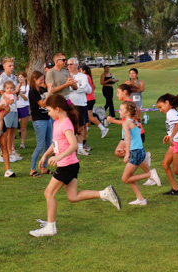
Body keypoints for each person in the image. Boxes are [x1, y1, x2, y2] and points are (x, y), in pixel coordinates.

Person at [30, 95, 121, 237]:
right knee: (73, 196)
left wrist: (59, 156)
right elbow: (55, 144)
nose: (48, 113)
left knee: (49, 193)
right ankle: (105, 193)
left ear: (57, 109)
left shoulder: (65, 124)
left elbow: (73, 146)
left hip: (67, 165)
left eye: (49, 110)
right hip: (71, 165)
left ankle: (50, 227)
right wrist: (45, 155)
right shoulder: (57, 122)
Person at [116, 102, 161, 206]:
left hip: (135, 153)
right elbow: (135, 138)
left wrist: (127, 153)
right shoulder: (134, 121)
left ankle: (150, 174)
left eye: (121, 110)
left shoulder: (126, 123)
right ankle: (141, 199)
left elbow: (128, 137)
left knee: (125, 178)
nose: (119, 111)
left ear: (127, 113)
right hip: (139, 151)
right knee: (130, 177)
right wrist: (127, 150)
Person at [27, 71, 52, 177]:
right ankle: (32, 169)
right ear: (34, 80)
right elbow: (42, 103)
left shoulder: (41, 89)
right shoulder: (32, 91)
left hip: (47, 118)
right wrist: (50, 91)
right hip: (39, 120)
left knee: (48, 144)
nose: (43, 81)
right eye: (40, 80)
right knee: (40, 145)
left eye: (43, 79)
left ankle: (44, 167)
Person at [16, 72, 31, 150]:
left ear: (25, 78)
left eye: (22, 77)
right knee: (13, 126)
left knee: (23, 127)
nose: (20, 79)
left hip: (24, 107)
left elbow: (26, 98)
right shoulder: (16, 86)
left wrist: (19, 93)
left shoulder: (28, 87)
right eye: (19, 77)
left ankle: (22, 143)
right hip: (16, 107)